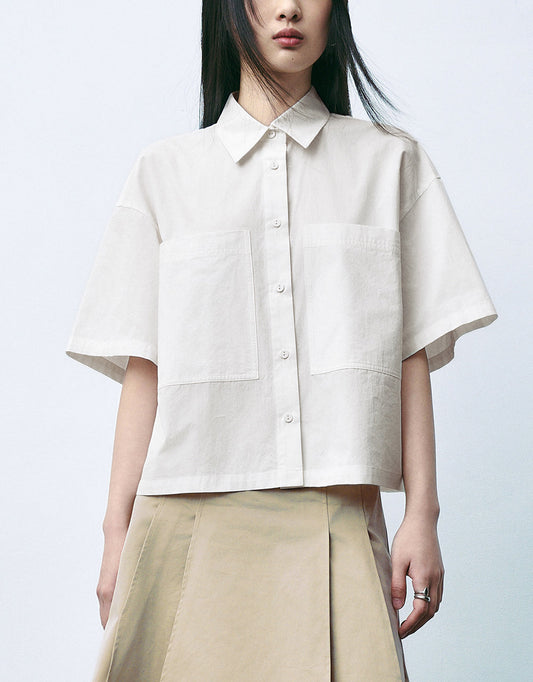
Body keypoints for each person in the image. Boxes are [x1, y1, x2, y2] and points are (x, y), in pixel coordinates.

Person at [65, 1, 498, 680]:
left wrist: (423, 512)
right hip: (183, 520)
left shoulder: (389, 163)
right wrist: (115, 533)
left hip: (335, 514)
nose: (288, 7)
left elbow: (409, 351)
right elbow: (145, 367)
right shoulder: (164, 173)